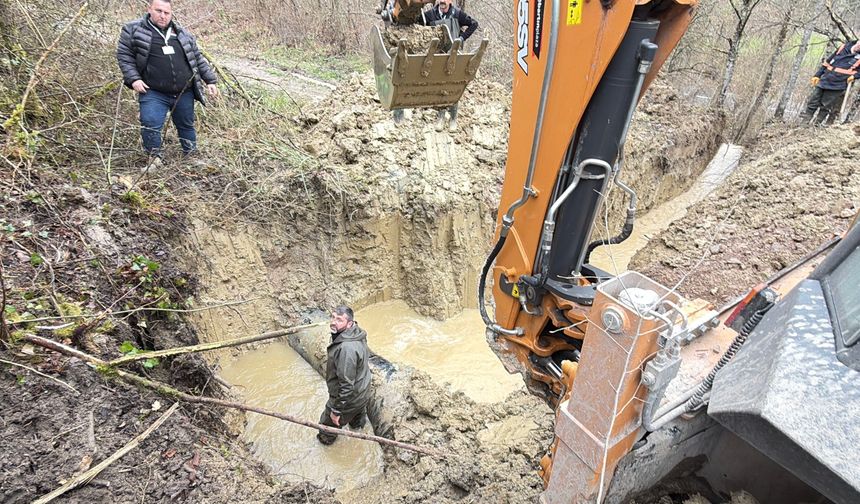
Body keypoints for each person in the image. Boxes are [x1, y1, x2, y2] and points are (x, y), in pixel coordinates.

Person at [116, 0, 218, 165]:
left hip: (184, 91)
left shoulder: (182, 33)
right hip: (153, 91)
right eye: (158, 11)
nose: (162, 16)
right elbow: (124, 56)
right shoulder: (133, 30)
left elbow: (196, 58)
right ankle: (154, 159)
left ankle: (191, 157)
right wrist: (134, 79)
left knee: (186, 124)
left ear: (171, 13)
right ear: (149, 9)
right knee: (150, 123)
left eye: (166, 12)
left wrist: (210, 80)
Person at [419, 0, 478, 132]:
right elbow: (417, 26)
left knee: (453, 86)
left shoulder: (457, 14)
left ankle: (453, 119)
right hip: (438, 56)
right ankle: (440, 117)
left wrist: (461, 38)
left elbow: (474, 24)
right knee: (439, 85)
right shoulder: (430, 15)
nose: (442, 1)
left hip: (454, 55)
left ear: (450, 1)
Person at [317, 305, 372, 445]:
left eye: (339, 319)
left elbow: (346, 385)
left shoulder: (346, 349)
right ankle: (358, 429)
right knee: (357, 420)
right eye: (333, 317)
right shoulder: (357, 332)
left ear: (349, 323)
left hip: (350, 399)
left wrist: (336, 410)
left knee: (326, 427)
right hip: (363, 392)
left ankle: (326, 443)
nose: (334, 322)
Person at [801, 40, 860, 125]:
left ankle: (815, 126)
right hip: (825, 79)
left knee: (825, 106)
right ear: (858, 41)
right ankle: (804, 123)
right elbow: (827, 62)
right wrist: (817, 75)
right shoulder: (843, 47)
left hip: (838, 85)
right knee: (812, 102)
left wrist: (855, 76)